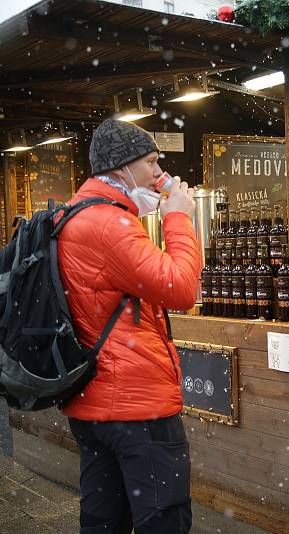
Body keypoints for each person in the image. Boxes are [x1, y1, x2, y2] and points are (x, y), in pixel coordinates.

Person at [58, 119, 201, 533]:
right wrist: (178, 218)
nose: (159, 175)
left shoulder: (74, 215)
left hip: (93, 401)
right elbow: (180, 287)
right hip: (135, 407)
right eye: (152, 163)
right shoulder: (108, 224)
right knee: (164, 521)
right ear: (121, 168)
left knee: (104, 520)